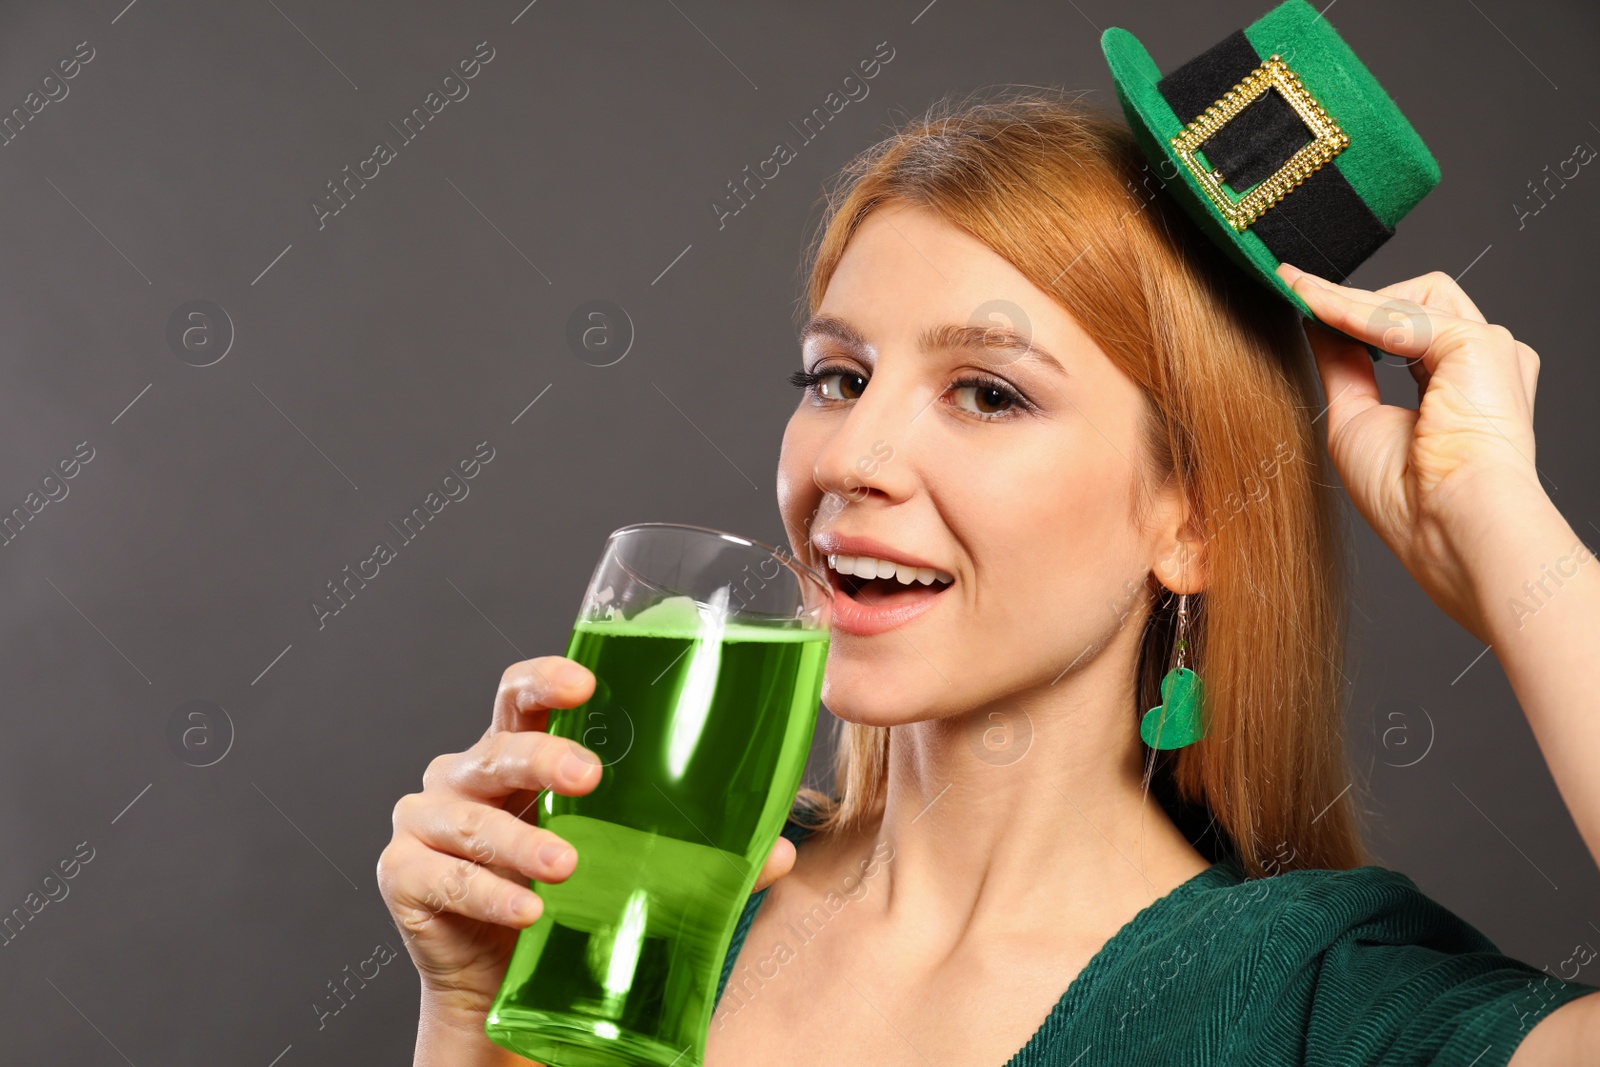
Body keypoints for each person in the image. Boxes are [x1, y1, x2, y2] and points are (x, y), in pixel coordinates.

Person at [377, 90, 1600, 1065]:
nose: (851, 458)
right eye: (837, 377)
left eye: (987, 391)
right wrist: (473, 1035)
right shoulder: (652, 917)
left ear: (1198, 520)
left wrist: (1498, 522)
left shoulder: (1316, 1002)